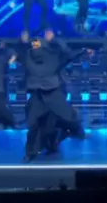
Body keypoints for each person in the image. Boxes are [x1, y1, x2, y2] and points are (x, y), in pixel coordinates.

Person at [19, 29, 88, 162]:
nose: (34, 46)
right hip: (38, 95)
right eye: (33, 44)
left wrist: (83, 51)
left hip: (53, 93)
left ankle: (73, 132)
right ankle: (29, 152)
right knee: (33, 125)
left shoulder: (54, 57)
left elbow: (68, 55)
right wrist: (23, 41)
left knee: (65, 119)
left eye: (37, 44)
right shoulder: (28, 56)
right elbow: (21, 49)